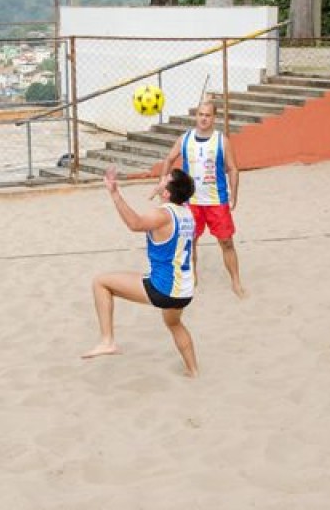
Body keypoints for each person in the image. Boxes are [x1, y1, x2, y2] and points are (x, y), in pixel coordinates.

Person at [82, 165, 200, 378]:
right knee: (174, 323)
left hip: (163, 288)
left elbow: (135, 224)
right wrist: (160, 191)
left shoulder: (162, 215)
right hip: (185, 289)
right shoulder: (188, 214)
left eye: (165, 179)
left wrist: (115, 193)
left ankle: (107, 341)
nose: (162, 178)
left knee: (101, 282)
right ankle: (193, 370)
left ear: (167, 193)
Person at [153, 99, 245, 299]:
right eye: (201, 114)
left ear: (214, 117)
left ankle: (236, 282)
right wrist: (163, 184)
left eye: (208, 115)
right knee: (190, 243)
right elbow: (169, 159)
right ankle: (192, 279)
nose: (204, 118)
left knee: (227, 242)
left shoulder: (221, 140)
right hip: (191, 202)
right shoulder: (185, 139)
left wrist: (234, 193)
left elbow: (232, 168)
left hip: (216, 201)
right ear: (196, 116)